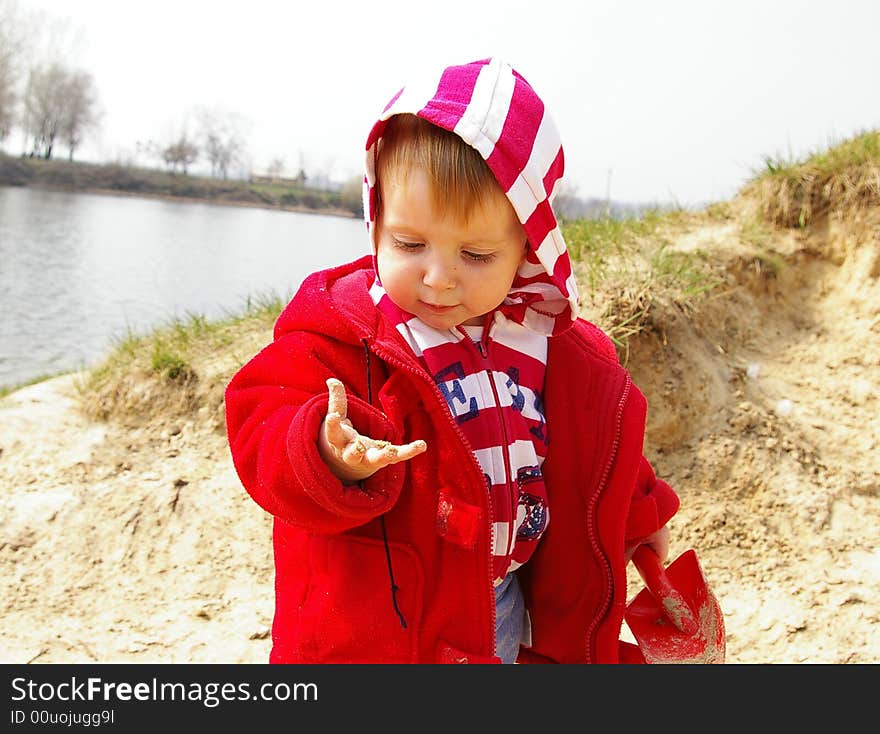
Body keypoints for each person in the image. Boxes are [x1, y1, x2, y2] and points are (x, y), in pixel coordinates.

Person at [224, 57, 679, 664]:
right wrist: (326, 449)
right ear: (376, 218)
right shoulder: (346, 333)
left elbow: (599, 453)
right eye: (409, 244)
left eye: (476, 254)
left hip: (503, 601)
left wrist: (641, 515)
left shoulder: (551, 346)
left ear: (527, 246)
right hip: (384, 623)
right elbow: (261, 416)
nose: (438, 279)